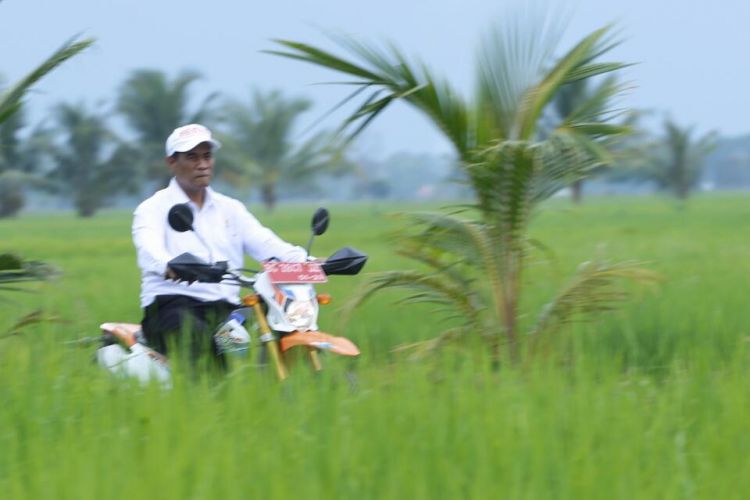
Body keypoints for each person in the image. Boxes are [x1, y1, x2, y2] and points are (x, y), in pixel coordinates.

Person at [132, 123, 307, 365]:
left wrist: (308, 261)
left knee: (270, 329)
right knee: (203, 344)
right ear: (171, 162)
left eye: (207, 156)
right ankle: (203, 393)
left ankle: (266, 382)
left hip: (226, 311)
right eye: (192, 157)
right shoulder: (152, 208)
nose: (202, 164)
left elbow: (266, 243)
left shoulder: (230, 208)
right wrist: (169, 266)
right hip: (173, 305)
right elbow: (148, 250)